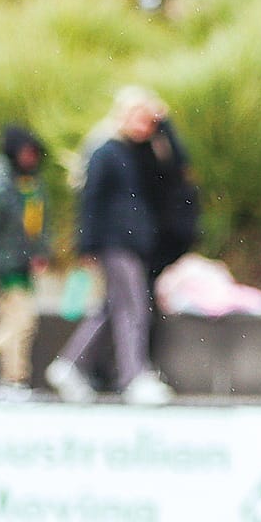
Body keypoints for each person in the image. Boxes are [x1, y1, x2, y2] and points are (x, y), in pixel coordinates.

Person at [48, 88, 176, 406]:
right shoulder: (106, 151)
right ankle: (133, 375)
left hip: (133, 242)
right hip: (115, 242)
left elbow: (172, 170)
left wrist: (165, 125)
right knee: (132, 307)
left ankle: (69, 365)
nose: (144, 125)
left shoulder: (138, 152)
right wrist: (87, 244)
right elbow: (90, 200)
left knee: (112, 307)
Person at [0, 125, 50, 397]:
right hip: (3, 265)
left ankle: (13, 379)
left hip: (20, 263)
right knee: (22, 321)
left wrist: (39, 250)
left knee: (19, 322)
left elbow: (35, 222)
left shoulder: (27, 181)